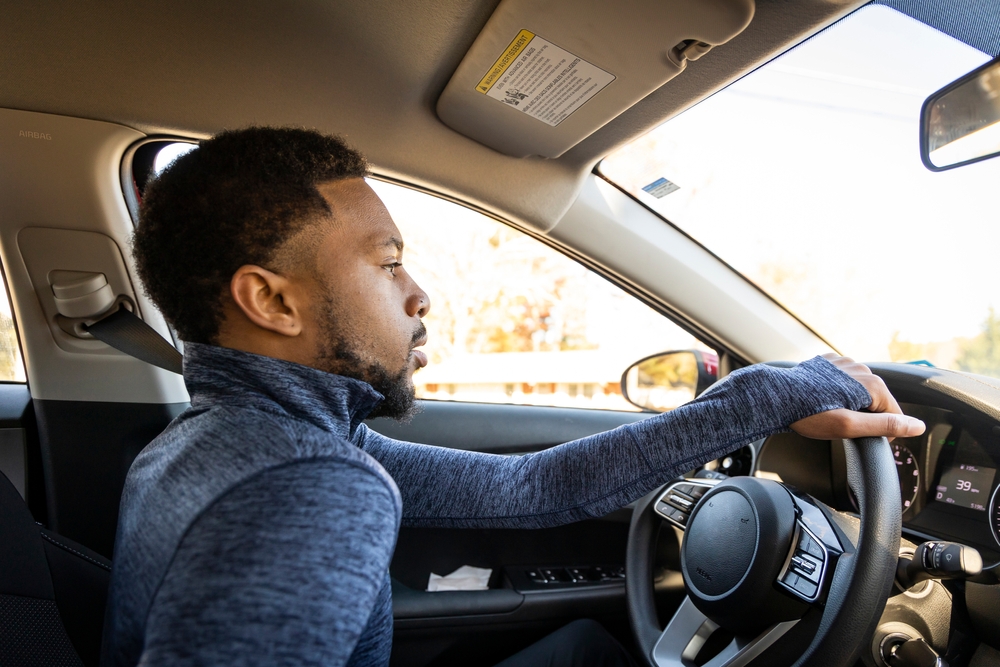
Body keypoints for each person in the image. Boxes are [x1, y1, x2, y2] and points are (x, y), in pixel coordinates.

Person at [101, 127, 924, 667]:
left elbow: (528, 488)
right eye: (388, 264)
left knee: (584, 651)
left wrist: (762, 395)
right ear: (272, 301)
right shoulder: (308, 487)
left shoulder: (230, 438)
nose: (418, 294)